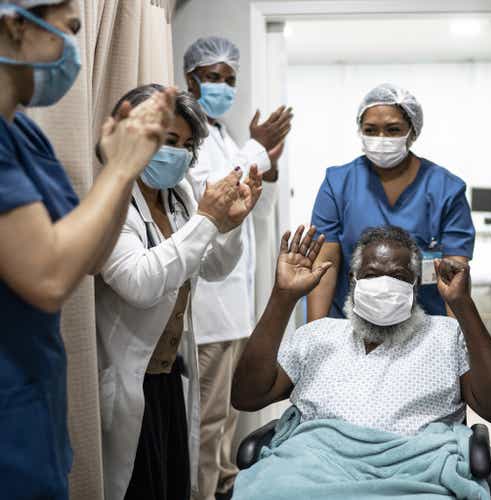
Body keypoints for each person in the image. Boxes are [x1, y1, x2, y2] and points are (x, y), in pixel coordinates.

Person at [0, 2, 173, 499]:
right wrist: (119, 170)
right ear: (15, 25)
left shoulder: (24, 133)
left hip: (35, 400)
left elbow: (91, 256)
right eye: (69, 29)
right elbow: (48, 278)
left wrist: (120, 173)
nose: (73, 49)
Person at [231, 225, 491, 498]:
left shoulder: (445, 336)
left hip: (415, 475)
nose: (384, 285)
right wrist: (283, 297)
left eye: (398, 277)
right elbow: (247, 396)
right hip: (311, 469)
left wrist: (463, 306)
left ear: (415, 286)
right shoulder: (317, 336)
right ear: (353, 281)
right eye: (371, 275)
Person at [95, 84, 262, 500]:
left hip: (169, 375)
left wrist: (229, 225)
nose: (179, 154)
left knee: (172, 483)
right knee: (137, 487)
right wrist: (208, 219)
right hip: (128, 375)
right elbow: (140, 282)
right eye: (168, 141)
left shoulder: (179, 195)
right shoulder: (111, 198)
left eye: (187, 145)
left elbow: (214, 266)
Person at [182, 35, 293, 500]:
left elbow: (246, 211)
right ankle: (202, 493)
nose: (223, 87)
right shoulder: (192, 135)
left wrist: (264, 168)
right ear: (191, 79)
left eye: (230, 79)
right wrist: (256, 149)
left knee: (226, 416)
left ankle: (225, 485)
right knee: (206, 420)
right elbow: (214, 195)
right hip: (206, 308)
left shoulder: (225, 136)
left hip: (234, 306)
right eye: (213, 78)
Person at [307, 84, 475, 321]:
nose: (381, 139)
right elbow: (325, 264)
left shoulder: (446, 189)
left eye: (393, 129)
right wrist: (315, 334)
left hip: (424, 325)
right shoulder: (338, 183)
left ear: (412, 132)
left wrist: (457, 342)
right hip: (351, 324)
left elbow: (455, 274)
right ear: (360, 131)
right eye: (371, 130)